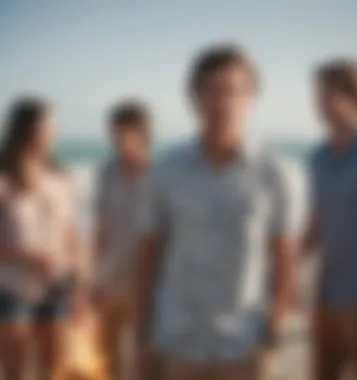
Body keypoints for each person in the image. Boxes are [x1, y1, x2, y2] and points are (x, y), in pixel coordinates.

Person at [134, 44, 298, 380]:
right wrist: (141, 332)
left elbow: (286, 254)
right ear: (193, 97)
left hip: (244, 343)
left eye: (234, 91)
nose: (223, 102)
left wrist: (278, 322)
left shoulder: (276, 173)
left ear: (252, 98)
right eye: (212, 90)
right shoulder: (166, 170)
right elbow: (148, 253)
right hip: (177, 340)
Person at [303, 59, 357, 380]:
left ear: (354, 96)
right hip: (326, 295)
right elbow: (314, 226)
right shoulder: (317, 157)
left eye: (326, 96)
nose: (319, 105)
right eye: (317, 97)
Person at [0, 97, 81, 379]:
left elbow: (71, 235)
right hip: (12, 290)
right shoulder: (4, 180)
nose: (55, 132)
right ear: (29, 130)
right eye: (50, 126)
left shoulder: (61, 177)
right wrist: (29, 256)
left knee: (55, 371)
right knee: (16, 373)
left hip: (57, 288)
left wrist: (79, 284)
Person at [94, 100, 151, 379]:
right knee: (109, 356)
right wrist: (95, 275)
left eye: (122, 133)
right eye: (112, 134)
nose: (115, 140)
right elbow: (101, 228)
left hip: (149, 282)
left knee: (145, 357)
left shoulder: (161, 175)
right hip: (113, 279)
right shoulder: (107, 172)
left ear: (142, 133)